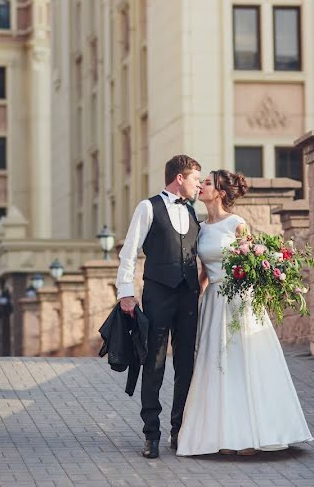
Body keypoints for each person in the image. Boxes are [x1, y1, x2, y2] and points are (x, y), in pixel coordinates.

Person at [175, 170, 313, 456]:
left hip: (239, 300)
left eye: (208, 183)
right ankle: (223, 435)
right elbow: (204, 271)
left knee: (242, 362)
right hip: (214, 300)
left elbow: (251, 261)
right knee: (217, 366)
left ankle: (250, 434)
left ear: (221, 192)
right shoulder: (200, 227)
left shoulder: (237, 224)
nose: (201, 186)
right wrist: (194, 300)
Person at [115, 154, 202, 459]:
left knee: (186, 366)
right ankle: (151, 433)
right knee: (154, 364)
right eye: (195, 179)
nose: (199, 186)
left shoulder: (193, 211)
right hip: (157, 295)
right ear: (180, 178)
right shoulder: (147, 207)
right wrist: (125, 291)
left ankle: (179, 430)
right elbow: (129, 250)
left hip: (189, 297)